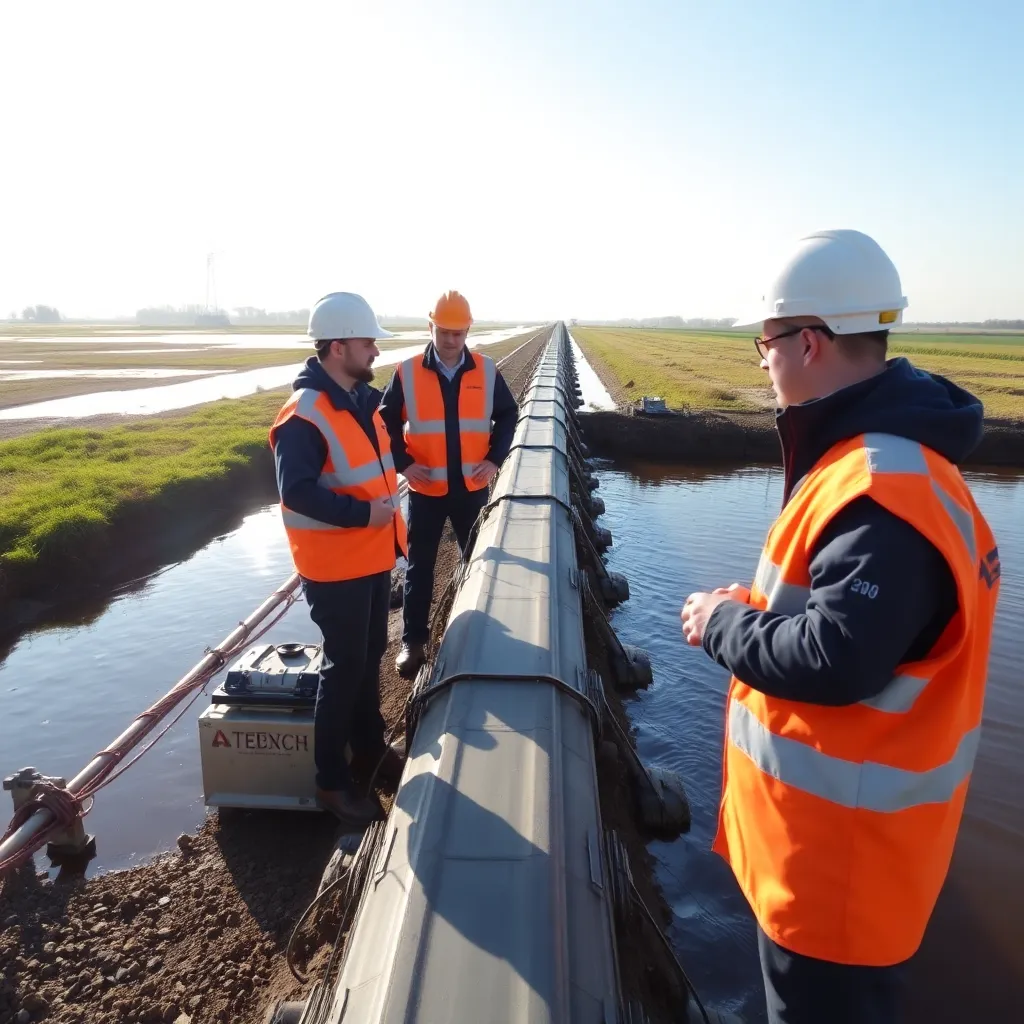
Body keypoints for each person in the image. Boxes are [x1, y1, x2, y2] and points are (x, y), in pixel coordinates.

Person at [680, 230, 1001, 1024]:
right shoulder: (887, 464)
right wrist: (756, 613)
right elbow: (846, 622)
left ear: (810, 342)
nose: (765, 363)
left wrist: (722, 625)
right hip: (831, 858)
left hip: (842, 881)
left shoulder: (880, 488)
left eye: (767, 345)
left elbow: (837, 656)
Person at [270, 291, 409, 827]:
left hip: (370, 558)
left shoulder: (357, 400)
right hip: (335, 567)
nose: (375, 350)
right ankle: (331, 780)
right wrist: (363, 516)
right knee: (344, 666)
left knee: (370, 652)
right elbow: (297, 492)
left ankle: (369, 749)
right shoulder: (304, 415)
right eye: (367, 340)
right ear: (336, 346)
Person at [378, 289, 518, 679]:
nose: (451, 340)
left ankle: (480, 631)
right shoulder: (407, 372)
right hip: (426, 493)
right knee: (419, 567)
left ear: (468, 329)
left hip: (471, 490)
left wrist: (494, 459)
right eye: (444, 331)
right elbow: (385, 420)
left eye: (458, 332)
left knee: (478, 559)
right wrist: (404, 464)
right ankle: (413, 642)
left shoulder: (486, 370)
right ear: (431, 327)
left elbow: (508, 414)